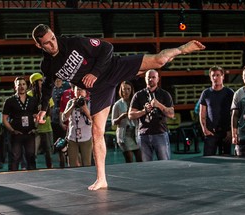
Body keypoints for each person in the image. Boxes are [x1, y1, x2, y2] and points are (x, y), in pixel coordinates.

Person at [32, 23, 205, 190]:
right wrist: (42, 109)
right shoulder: (48, 65)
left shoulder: (74, 43)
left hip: (112, 68)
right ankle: (102, 179)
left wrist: (95, 73)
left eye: (53, 38)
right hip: (99, 89)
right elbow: (48, 86)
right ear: (38, 44)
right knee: (97, 132)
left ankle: (182, 49)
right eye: (47, 43)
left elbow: (106, 48)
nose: (52, 44)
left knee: (159, 61)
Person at [128, 69, 174, 161]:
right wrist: (144, 111)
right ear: (145, 79)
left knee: (165, 163)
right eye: (148, 77)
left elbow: (171, 114)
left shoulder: (165, 94)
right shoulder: (138, 95)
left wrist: (159, 105)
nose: (150, 79)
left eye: (153, 77)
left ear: (158, 79)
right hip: (143, 134)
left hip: (160, 133)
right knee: (146, 166)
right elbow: (130, 115)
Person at [2, 77, 38, 171]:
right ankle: (13, 180)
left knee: (31, 158)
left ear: (26, 86)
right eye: (19, 85)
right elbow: (4, 119)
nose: (21, 86)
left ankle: (35, 179)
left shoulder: (32, 100)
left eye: (23, 84)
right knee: (15, 158)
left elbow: (36, 116)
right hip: (16, 134)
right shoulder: (10, 101)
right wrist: (12, 131)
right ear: (15, 87)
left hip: (29, 133)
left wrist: (35, 127)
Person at [199, 66, 234, 156]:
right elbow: (202, 113)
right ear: (210, 78)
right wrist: (204, 129)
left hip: (226, 132)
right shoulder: (206, 93)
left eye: (218, 75)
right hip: (211, 133)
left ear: (223, 76)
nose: (215, 78)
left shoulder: (229, 93)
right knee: (209, 159)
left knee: (226, 161)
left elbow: (234, 113)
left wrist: (231, 131)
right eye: (213, 75)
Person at [28, 72, 54, 168]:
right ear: (34, 82)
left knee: (49, 152)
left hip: (46, 127)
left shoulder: (46, 93)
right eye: (40, 80)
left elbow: (51, 110)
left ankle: (50, 169)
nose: (42, 82)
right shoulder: (29, 95)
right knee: (32, 152)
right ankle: (32, 170)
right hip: (34, 128)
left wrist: (44, 112)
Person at [112, 81, 142, 163]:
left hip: (135, 133)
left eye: (128, 89)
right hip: (124, 134)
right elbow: (113, 122)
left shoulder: (135, 103)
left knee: (140, 158)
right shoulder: (117, 104)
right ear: (121, 91)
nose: (126, 91)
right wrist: (121, 117)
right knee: (129, 159)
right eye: (124, 89)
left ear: (131, 90)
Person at [62, 86, 93, 167]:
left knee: (86, 163)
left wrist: (85, 108)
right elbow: (64, 118)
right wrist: (72, 106)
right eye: (78, 89)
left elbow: (93, 120)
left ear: (86, 92)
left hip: (86, 137)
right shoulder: (70, 102)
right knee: (72, 164)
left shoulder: (89, 103)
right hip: (72, 137)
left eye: (82, 89)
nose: (80, 91)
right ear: (74, 91)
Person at [51, 78, 70, 167]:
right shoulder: (51, 88)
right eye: (56, 80)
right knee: (58, 141)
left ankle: (68, 158)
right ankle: (61, 161)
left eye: (59, 80)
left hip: (65, 115)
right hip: (54, 118)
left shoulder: (67, 86)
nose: (57, 82)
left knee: (67, 140)